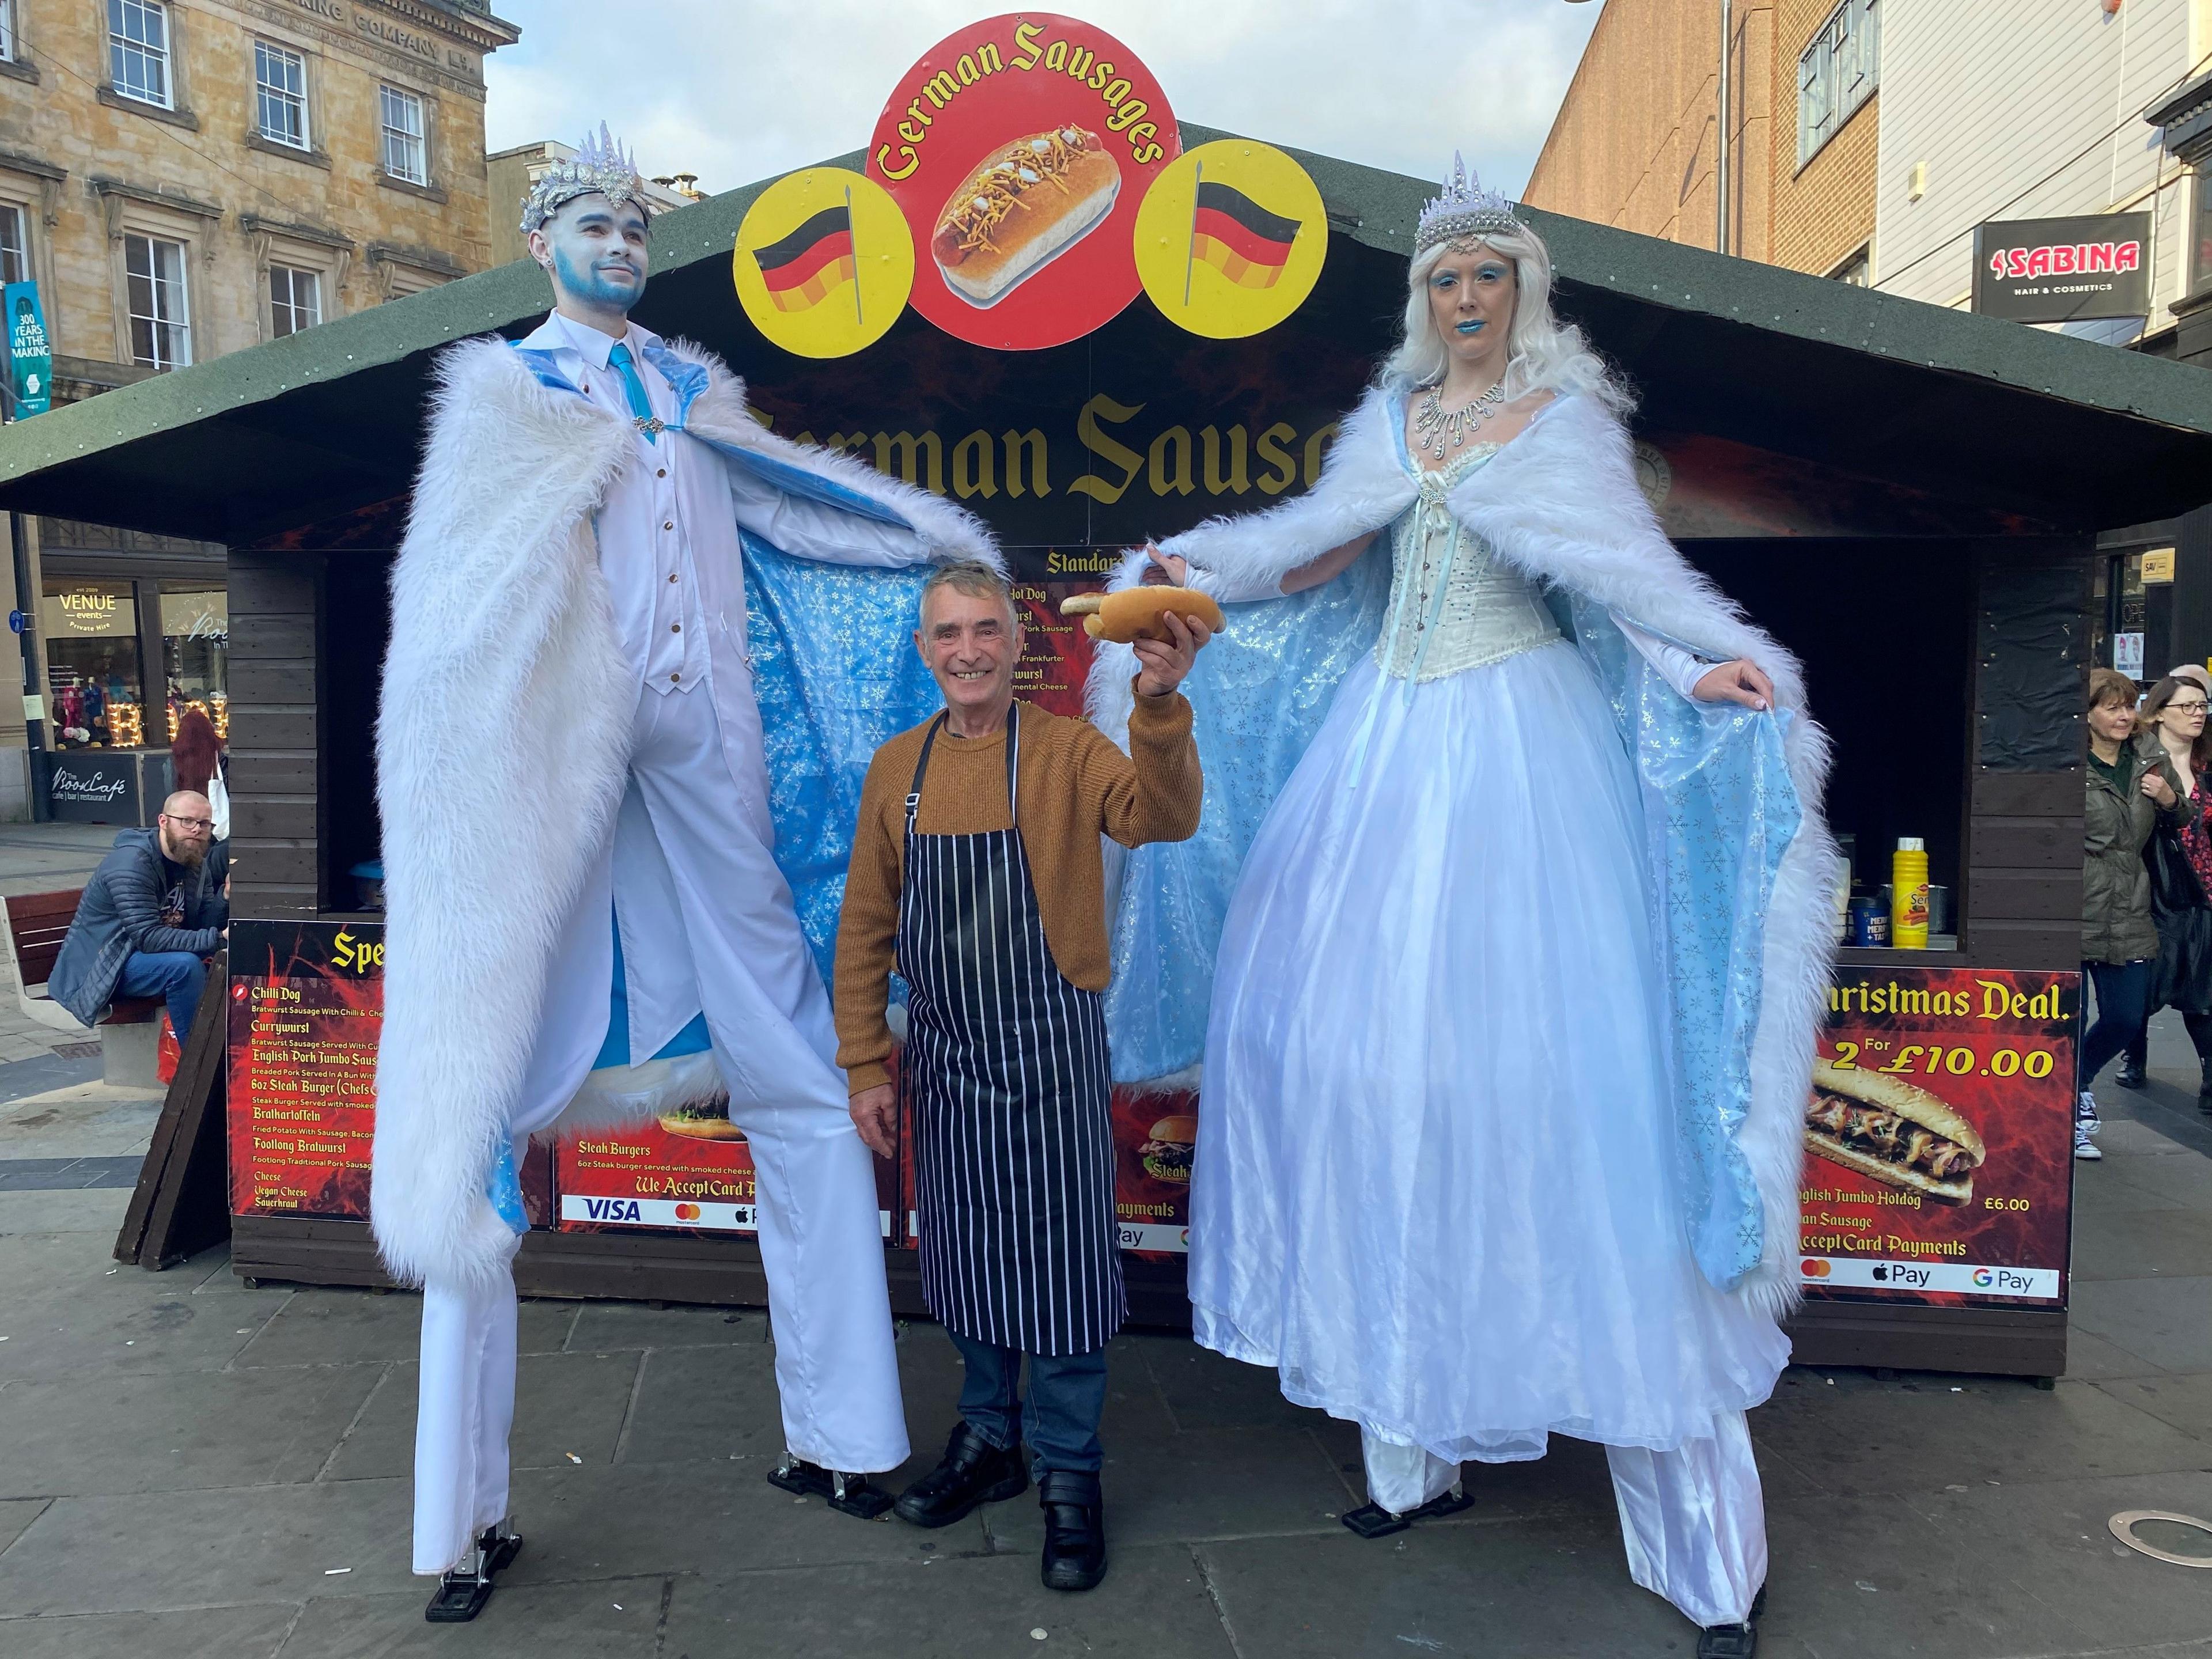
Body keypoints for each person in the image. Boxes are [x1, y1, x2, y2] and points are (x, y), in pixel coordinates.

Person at [1092, 159, 1834, 1659]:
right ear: (1423, 300)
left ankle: (1704, 1560)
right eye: (1445, 278)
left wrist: (1702, 667)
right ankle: (1410, 1457)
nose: (1468, 297)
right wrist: (1203, 582)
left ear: (1524, 292)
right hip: (1383, 762)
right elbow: (1322, 549)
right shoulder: (1395, 422)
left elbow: (1625, 585)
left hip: (1521, 763)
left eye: (1490, 275)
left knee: (1579, 1122)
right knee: (1379, 1101)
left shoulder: (1563, 429)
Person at [372, 127, 998, 1620]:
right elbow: (452, 611)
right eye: (594, 221)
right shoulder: (508, 393)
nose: (622, 241)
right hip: (566, 742)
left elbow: (780, 507)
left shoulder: (691, 391)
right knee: (488, 1090)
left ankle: (844, 1438)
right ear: (544, 242)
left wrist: (925, 541)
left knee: (794, 1065)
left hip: (714, 734)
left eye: (636, 223)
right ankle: (460, 1520)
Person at [833, 560, 1204, 1592]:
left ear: (1016, 643)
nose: (968, 650)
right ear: (926, 650)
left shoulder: (1065, 750)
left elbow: (1160, 818)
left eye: (986, 630)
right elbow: (864, 928)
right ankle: (990, 1439)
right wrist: (867, 1061)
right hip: (946, 1059)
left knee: (1067, 1275)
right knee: (967, 1263)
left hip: (1049, 1049)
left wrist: (1159, 706)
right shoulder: (894, 771)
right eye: (948, 633)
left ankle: (1071, 1478)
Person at [2079, 668, 2193, 1156]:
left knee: (2126, 1017)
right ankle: (2068, 1111)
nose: (2125, 715)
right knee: (2061, 1018)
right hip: (2074, 901)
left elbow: (2184, 816)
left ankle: (2076, 1085)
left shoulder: (2151, 758)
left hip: (2129, 902)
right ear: (2086, 716)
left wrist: (2169, 799)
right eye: (2112, 707)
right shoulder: (2068, 765)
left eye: (2129, 705)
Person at [49, 790, 228, 1042]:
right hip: (103, 965)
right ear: (164, 822)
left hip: (141, 957)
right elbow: (149, 938)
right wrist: (219, 938)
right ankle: (198, 1067)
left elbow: (201, 925)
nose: (196, 829)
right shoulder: (131, 864)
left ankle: (232, 1056)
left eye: (204, 823)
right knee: (184, 968)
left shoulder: (194, 862)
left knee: (228, 961)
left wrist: (226, 897)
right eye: (187, 821)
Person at [2116, 666, 2212, 1093]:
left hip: (2203, 889)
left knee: (2204, 988)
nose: (2198, 714)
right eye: (2188, 706)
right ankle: (2134, 1057)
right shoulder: (2140, 762)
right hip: (2152, 890)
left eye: (2203, 706)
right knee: (2144, 984)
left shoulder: (2207, 765)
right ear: (2158, 714)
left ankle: (2210, 1076)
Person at [169, 707, 228, 841]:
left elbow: (171, 792)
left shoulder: (174, 760)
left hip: (184, 819)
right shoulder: (218, 759)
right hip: (212, 821)